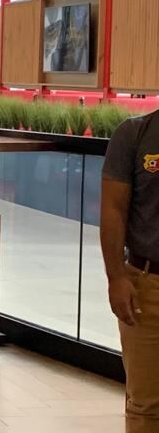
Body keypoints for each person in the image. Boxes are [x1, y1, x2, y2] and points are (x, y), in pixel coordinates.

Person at [101, 111, 159, 433]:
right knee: (146, 406)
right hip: (148, 286)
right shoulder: (134, 134)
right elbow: (113, 209)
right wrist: (117, 277)